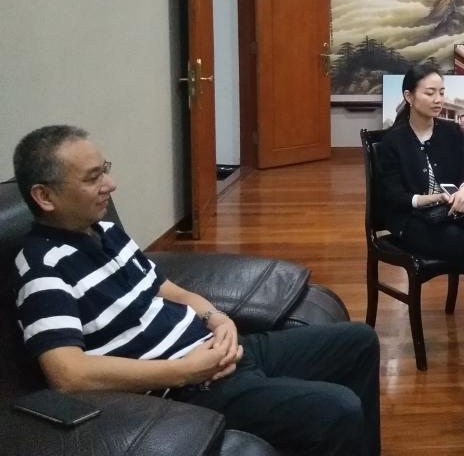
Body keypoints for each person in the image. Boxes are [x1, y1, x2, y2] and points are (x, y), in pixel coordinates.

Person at [13, 125, 380, 456]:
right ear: (45, 196)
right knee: (338, 408)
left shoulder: (106, 232)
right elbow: (68, 374)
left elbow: (167, 288)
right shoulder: (43, 268)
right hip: (190, 388)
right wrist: (185, 371)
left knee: (359, 340)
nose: (110, 184)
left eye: (104, 170)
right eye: (93, 178)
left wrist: (217, 318)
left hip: (219, 351)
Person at [377, 65, 464, 381]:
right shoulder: (393, 141)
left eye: (441, 92)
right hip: (413, 223)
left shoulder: (450, 132)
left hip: (451, 214)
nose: (438, 99)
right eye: (430, 93)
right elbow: (394, 198)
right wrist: (434, 198)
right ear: (409, 96)